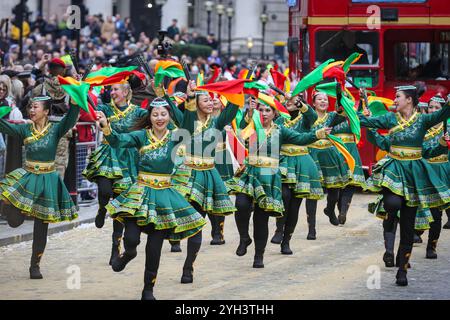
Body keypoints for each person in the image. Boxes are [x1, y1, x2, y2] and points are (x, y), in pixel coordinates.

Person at [97, 98, 206, 300]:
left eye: (163, 114)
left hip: (163, 197)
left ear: (169, 117)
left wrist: (191, 101)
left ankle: (148, 289)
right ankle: (128, 254)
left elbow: (189, 130)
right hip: (139, 194)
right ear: (150, 117)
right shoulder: (141, 136)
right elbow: (118, 141)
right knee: (131, 240)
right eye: (155, 114)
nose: (159, 118)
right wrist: (106, 126)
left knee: (154, 248)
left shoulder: (175, 137)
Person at [359, 85, 450, 286]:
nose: (394, 100)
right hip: (394, 168)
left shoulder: (424, 120)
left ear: (409, 99)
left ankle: (402, 270)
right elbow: (363, 120)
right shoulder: (390, 118)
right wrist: (360, 106)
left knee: (408, 227)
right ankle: (390, 218)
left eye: (397, 97)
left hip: (414, 173)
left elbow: (445, 112)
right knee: (392, 204)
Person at [230, 93, 330, 268]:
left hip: (269, 176)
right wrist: (249, 112)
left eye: (267, 110)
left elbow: (301, 138)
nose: (264, 113)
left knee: (261, 217)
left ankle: (259, 255)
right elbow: (241, 128)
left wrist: (319, 133)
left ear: (275, 113)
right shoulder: (251, 126)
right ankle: (244, 238)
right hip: (251, 174)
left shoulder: (280, 130)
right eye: (260, 109)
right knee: (241, 204)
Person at [0, 95, 80, 279]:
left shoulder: (56, 129)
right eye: (30, 107)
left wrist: (75, 100)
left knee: (41, 226)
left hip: (48, 181)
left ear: (46, 111)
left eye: (35, 107)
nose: (31, 110)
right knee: (14, 221)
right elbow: (5, 126)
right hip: (28, 178)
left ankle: (34, 265)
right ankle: (10, 207)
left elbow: (70, 118)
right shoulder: (25, 129)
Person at [171, 80, 238, 283]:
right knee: (184, 217)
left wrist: (239, 90)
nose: (211, 102)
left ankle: (188, 266)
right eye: (206, 99)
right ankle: (174, 238)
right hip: (186, 176)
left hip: (208, 174)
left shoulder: (216, 123)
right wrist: (190, 96)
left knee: (198, 222)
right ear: (196, 102)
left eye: (212, 99)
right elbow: (187, 119)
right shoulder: (187, 120)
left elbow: (233, 109)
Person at [83, 83, 148, 265]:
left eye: (116, 89)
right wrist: (82, 88)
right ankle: (102, 208)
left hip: (128, 160)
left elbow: (153, 117)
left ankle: (115, 249)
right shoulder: (105, 108)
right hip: (108, 155)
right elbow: (90, 108)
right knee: (104, 191)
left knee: (120, 206)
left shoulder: (138, 112)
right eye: (111, 90)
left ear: (126, 92)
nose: (112, 93)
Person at [271, 94, 324, 251]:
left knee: (294, 205)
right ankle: (279, 229)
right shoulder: (280, 120)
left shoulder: (305, 118)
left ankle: (286, 241)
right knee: (284, 196)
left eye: (294, 100)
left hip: (301, 162)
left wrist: (297, 102)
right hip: (284, 162)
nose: (290, 102)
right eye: (288, 100)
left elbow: (312, 116)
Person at [307, 92, 351, 226]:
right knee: (312, 193)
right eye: (319, 99)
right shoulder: (308, 116)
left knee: (334, 192)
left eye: (325, 99)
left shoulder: (332, 117)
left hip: (329, 155)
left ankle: (330, 210)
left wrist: (341, 96)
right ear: (313, 103)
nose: (323, 101)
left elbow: (345, 112)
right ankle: (311, 229)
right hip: (312, 155)